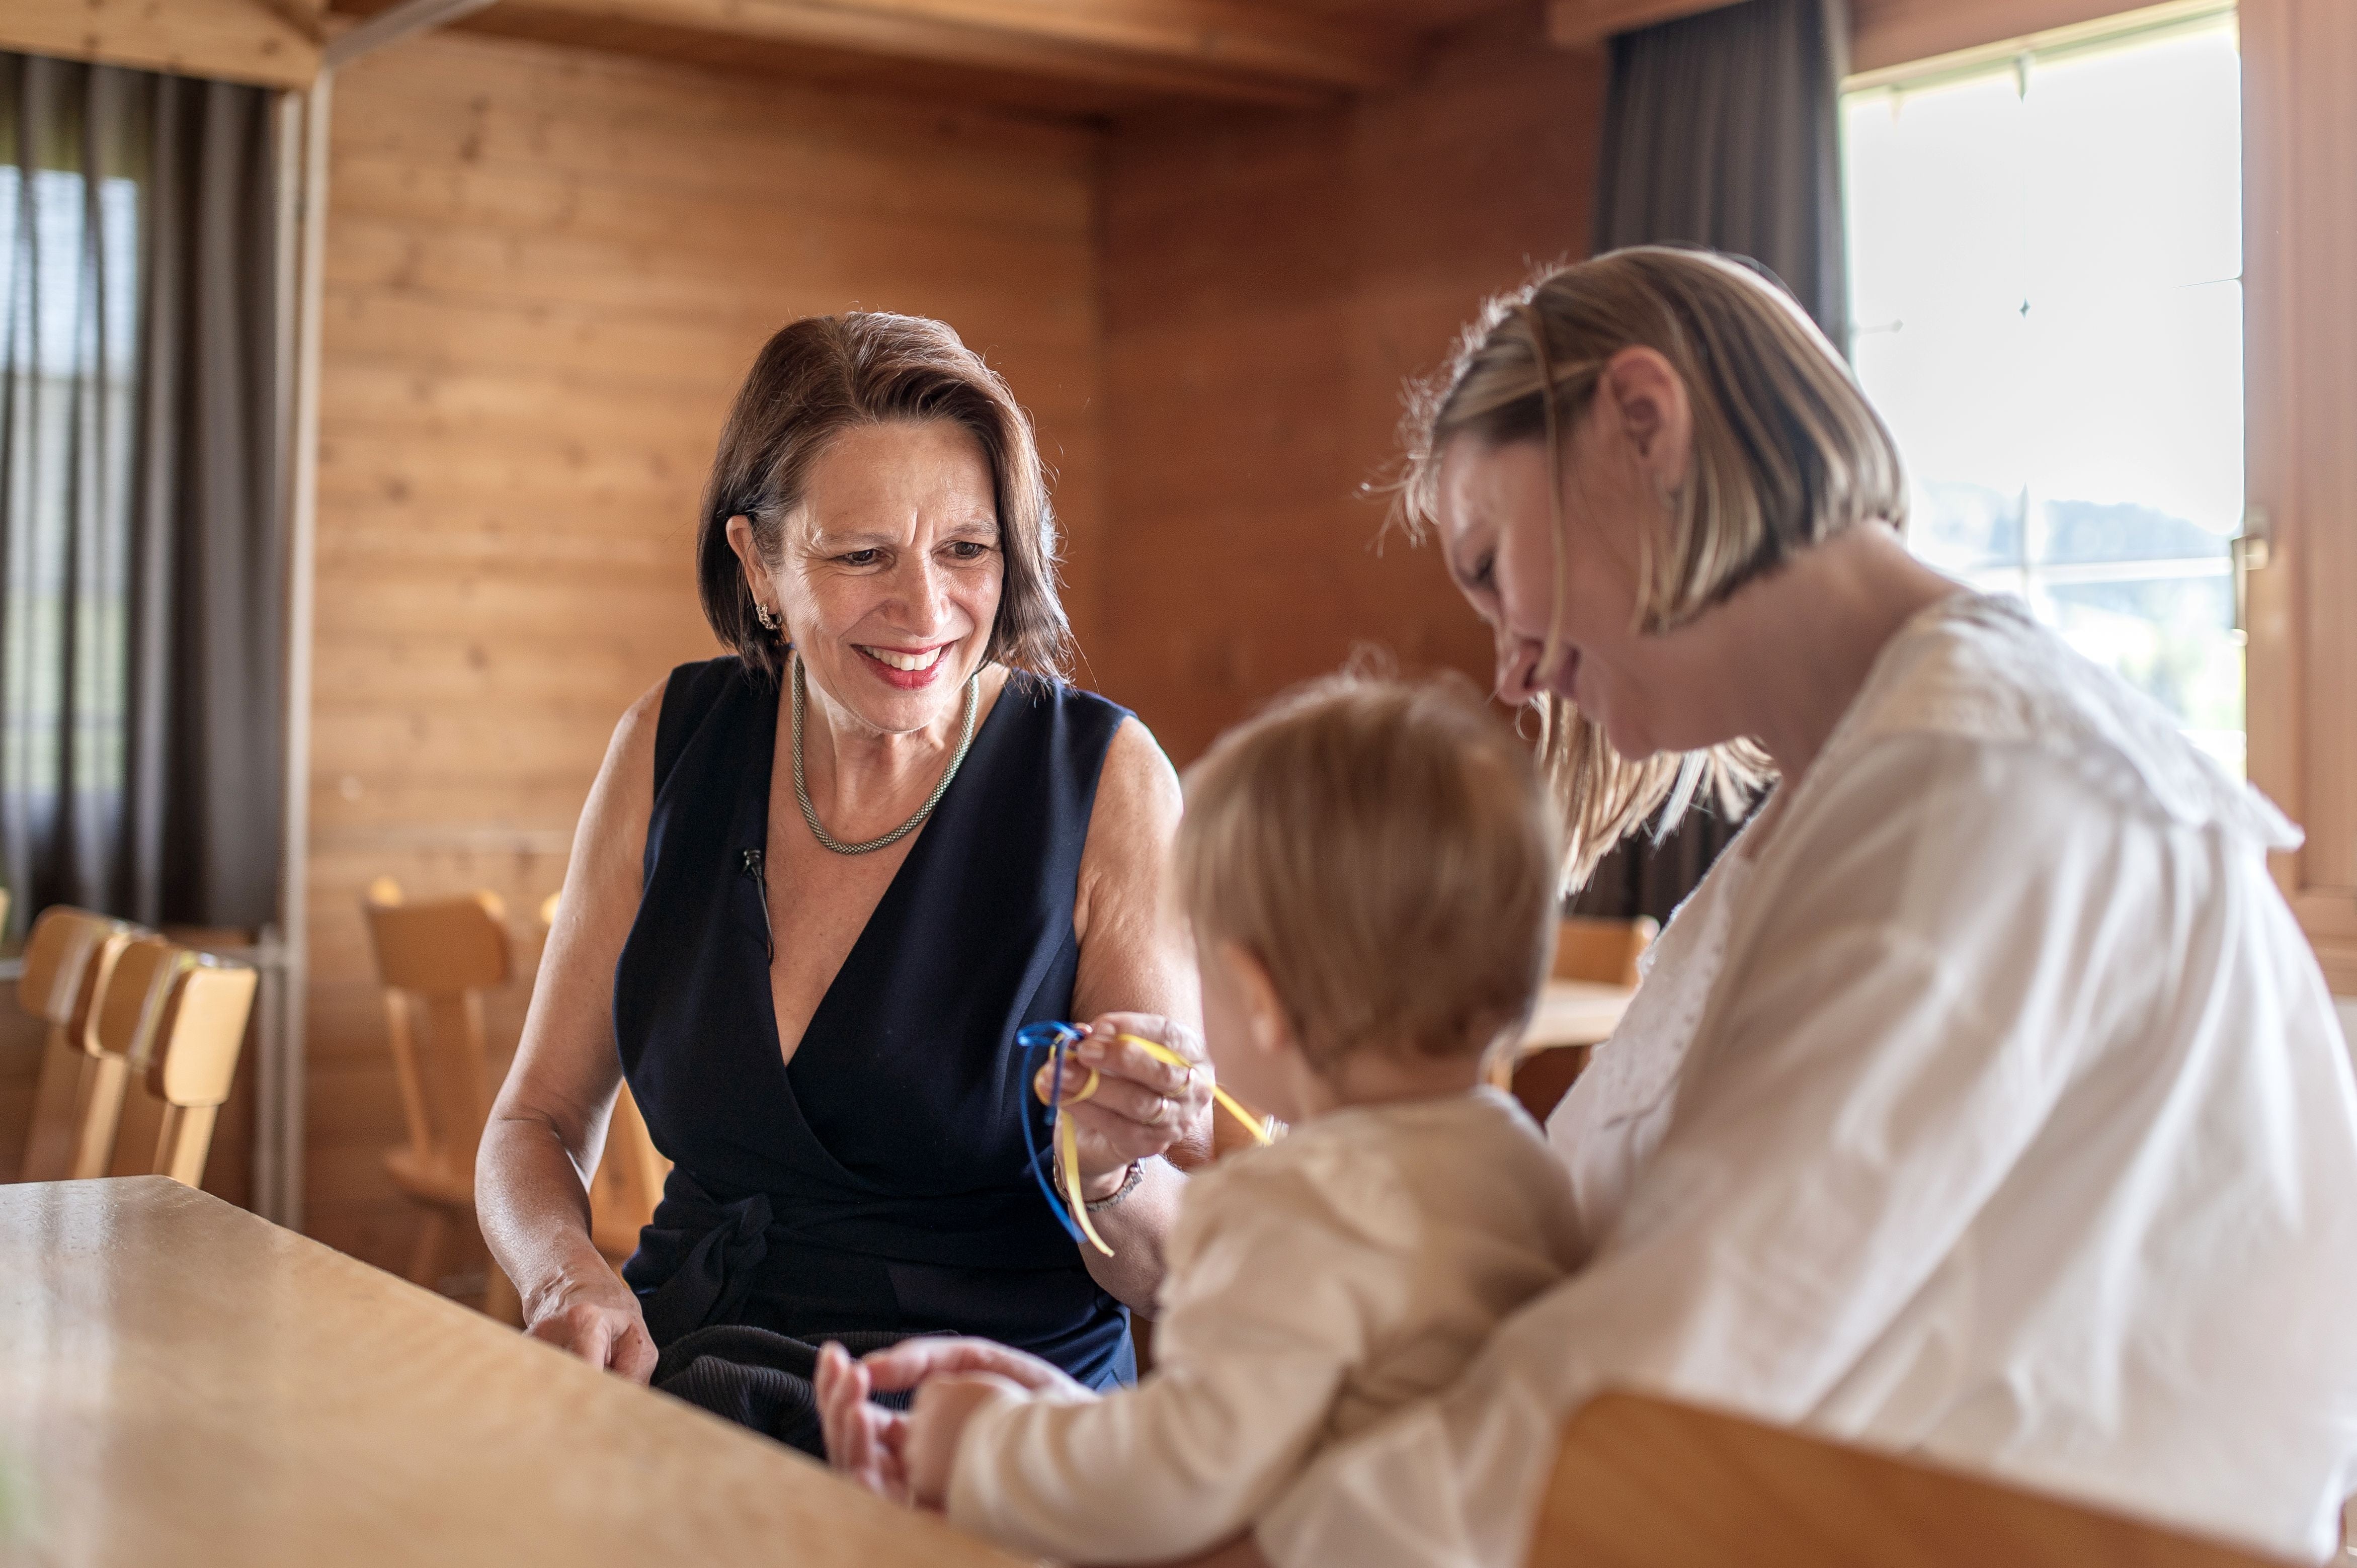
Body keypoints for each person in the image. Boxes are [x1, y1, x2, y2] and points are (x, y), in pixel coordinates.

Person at [839, 249, 2357, 1563]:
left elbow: (1641, 1377)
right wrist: (1140, 1449)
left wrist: (1165, 1506)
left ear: (1640, 420)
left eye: (1493, 567)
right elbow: (1512, 1289)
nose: (1507, 668)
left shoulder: (1985, 795)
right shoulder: (1830, 824)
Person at [475, 312, 1213, 1456]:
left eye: (966, 549)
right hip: (691, 1381)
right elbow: (534, 1118)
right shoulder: (669, 741)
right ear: (760, 566)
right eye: (863, 555)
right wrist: (565, 1271)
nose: (925, 610)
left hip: (982, 1438)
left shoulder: (1106, 779)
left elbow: (1168, 1266)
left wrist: (1110, 1170)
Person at [816, 673, 1582, 1562]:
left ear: (1255, 999)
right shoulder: (1523, 1162)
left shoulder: (1296, 1208)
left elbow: (1180, 1476)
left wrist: (982, 1447)